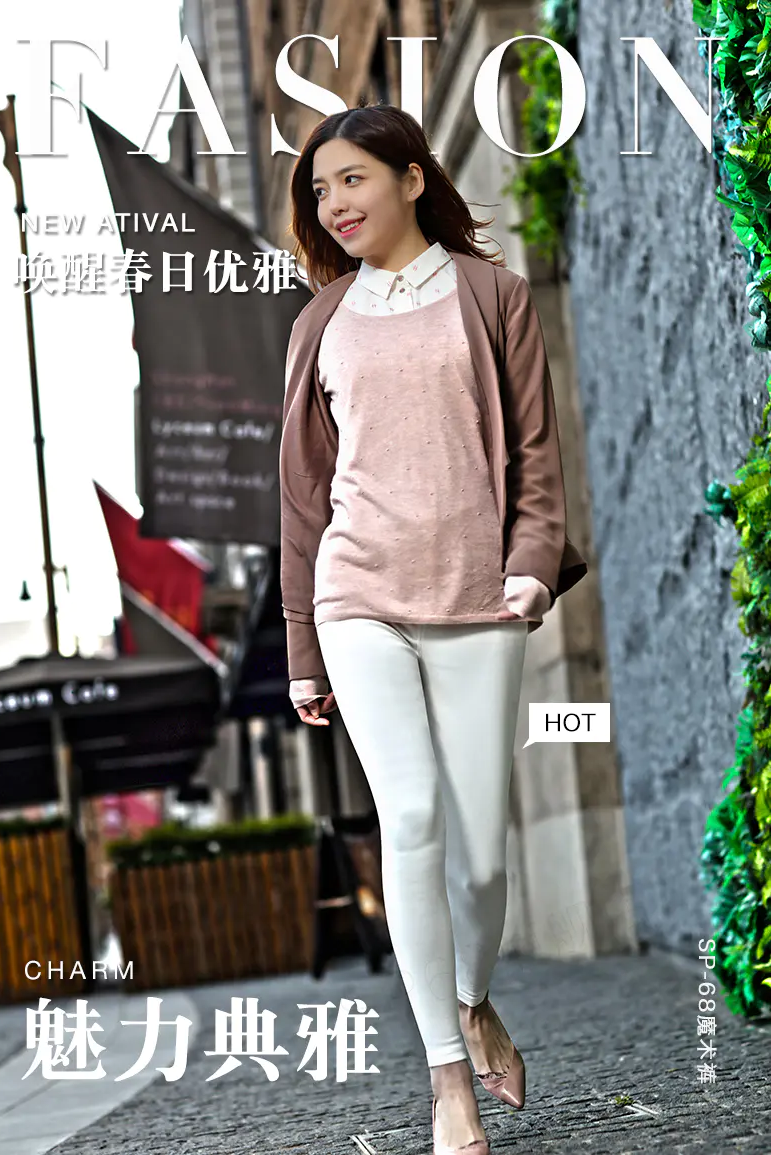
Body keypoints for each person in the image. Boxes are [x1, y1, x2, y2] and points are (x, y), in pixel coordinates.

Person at [279, 104, 587, 1154]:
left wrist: (530, 566)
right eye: (321, 190)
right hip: (357, 593)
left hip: (478, 598)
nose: (336, 203)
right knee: (407, 817)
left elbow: (536, 457)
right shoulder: (320, 323)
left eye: (353, 179)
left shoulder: (493, 296)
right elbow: (302, 500)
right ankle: (448, 1079)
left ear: (412, 178)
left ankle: (472, 996)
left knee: (482, 855)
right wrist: (303, 649)